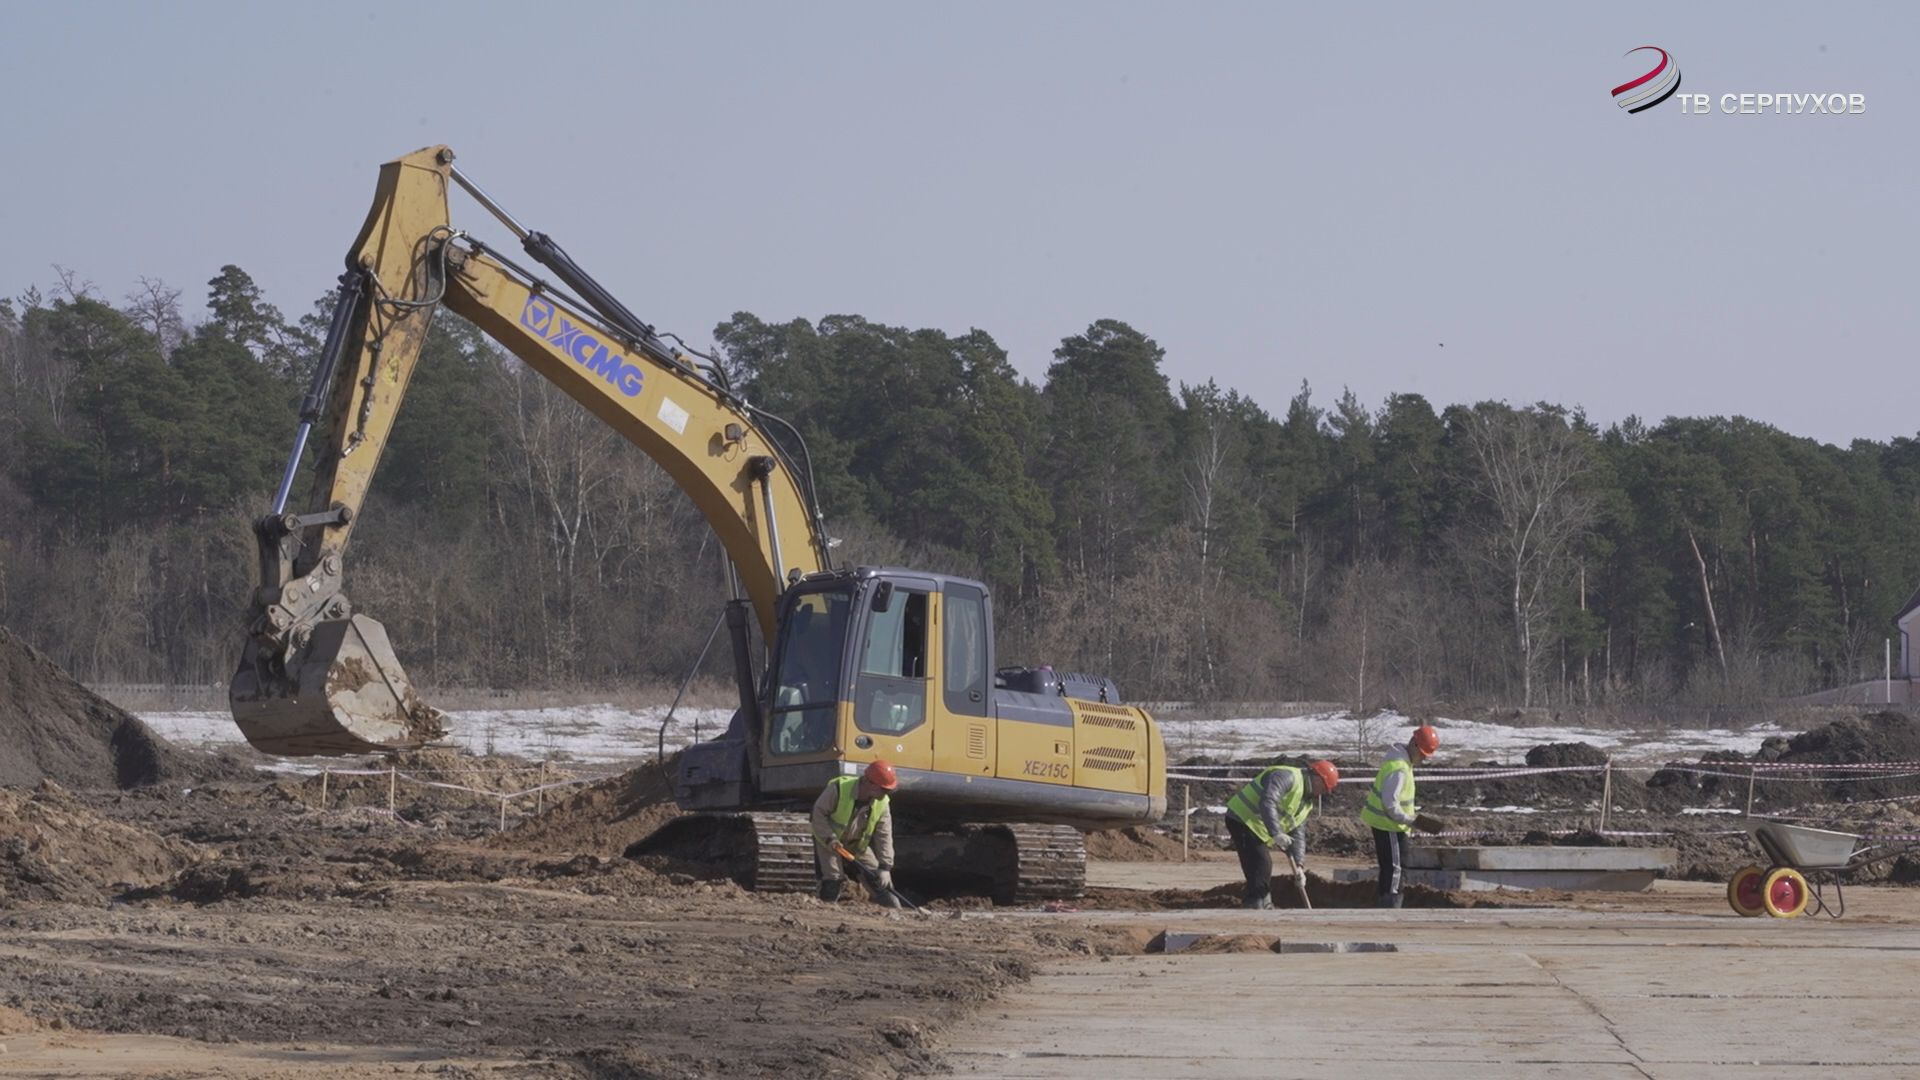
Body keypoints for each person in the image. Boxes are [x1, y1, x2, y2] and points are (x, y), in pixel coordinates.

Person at [1223, 759, 1339, 909]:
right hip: (1242, 818)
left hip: (1258, 826)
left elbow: (1298, 832)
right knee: (1261, 862)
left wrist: (1299, 866)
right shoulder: (1287, 776)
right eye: (1323, 788)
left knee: (1261, 863)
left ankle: (1263, 902)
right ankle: (1255, 903)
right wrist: (1276, 833)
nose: (1323, 793)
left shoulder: (1306, 802)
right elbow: (1268, 801)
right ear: (1316, 777)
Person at [1360, 725, 1440, 908]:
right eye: (1422, 754)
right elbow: (1391, 805)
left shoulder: (1402, 764)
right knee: (1395, 869)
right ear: (1414, 745)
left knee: (1392, 868)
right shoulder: (1399, 769)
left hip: (1391, 825)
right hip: (1389, 826)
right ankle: (1391, 907)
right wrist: (1412, 820)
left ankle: (1387, 905)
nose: (1422, 760)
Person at [811, 759, 899, 907]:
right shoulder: (839, 789)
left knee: (877, 879)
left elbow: (884, 835)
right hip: (829, 842)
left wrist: (885, 867)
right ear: (869, 783)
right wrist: (830, 838)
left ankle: (892, 909)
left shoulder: (882, 803)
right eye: (883, 789)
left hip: (857, 845)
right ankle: (826, 909)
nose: (885, 794)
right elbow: (818, 814)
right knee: (833, 878)